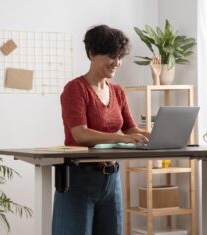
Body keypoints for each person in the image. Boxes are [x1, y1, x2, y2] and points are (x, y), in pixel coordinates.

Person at [52, 25, 150, 235]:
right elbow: (81, 134)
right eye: (111, 56)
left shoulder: (118, 91)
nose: (117, 62)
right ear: (91, 54)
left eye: (120, 56)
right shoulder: (75, 89)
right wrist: (121, 139)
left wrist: (161, 134)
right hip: (78, 178)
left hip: (111, 180)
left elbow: (131, 129)